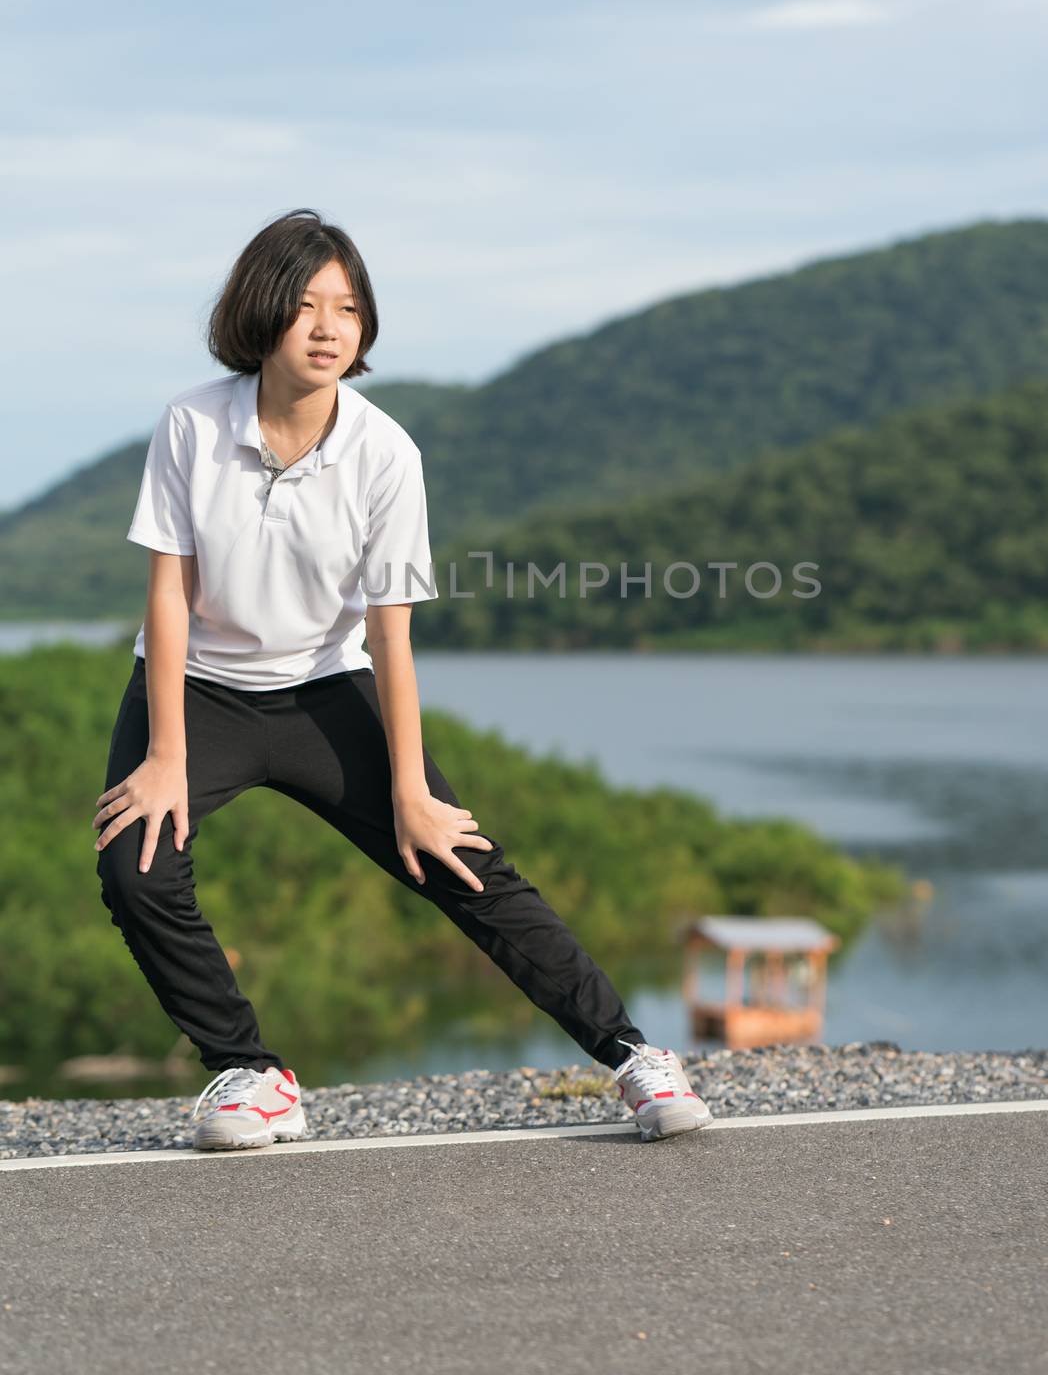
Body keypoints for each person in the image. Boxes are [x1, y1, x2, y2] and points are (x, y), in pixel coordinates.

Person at [93, 207, 713, 1151]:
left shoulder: (386, 453)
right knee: (134, 866)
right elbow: (169, 594)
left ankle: (632, 1054)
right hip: (198, 691)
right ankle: (252, 1075)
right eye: (304, 305)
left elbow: (391, 638)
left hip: (322, 690)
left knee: (461, 859)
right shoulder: (192, 423)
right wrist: (168, 752)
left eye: (346, 308)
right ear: (259, 314)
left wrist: (412, 790)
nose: (328, 327)